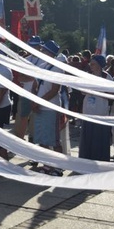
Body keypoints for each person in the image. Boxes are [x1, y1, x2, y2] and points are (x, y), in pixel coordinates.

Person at [30, 40, 64, 174]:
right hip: (40, 106)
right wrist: (34, 99)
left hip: (51, 107)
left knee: (53, 139)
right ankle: (46, 165)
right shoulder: (42, 65)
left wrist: (38, 101)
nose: (41, 52)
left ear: (50, 53)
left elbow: (55, 90)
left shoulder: (57, 68)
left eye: (44, 50)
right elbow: (35, 84)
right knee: (42, 138)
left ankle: (58, 165)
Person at [79, 55, 112, 162]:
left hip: (101, 113)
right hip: (88, 111)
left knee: (99, 138)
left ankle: (100, 159)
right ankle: (86, 159)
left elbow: (110, 95)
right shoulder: (88, 76)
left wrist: (95, 91)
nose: (90, 66)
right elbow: (82, 91)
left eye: (93, 64)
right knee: (87, 137)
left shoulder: (107, 77)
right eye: (91, 64)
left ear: (99, 65)